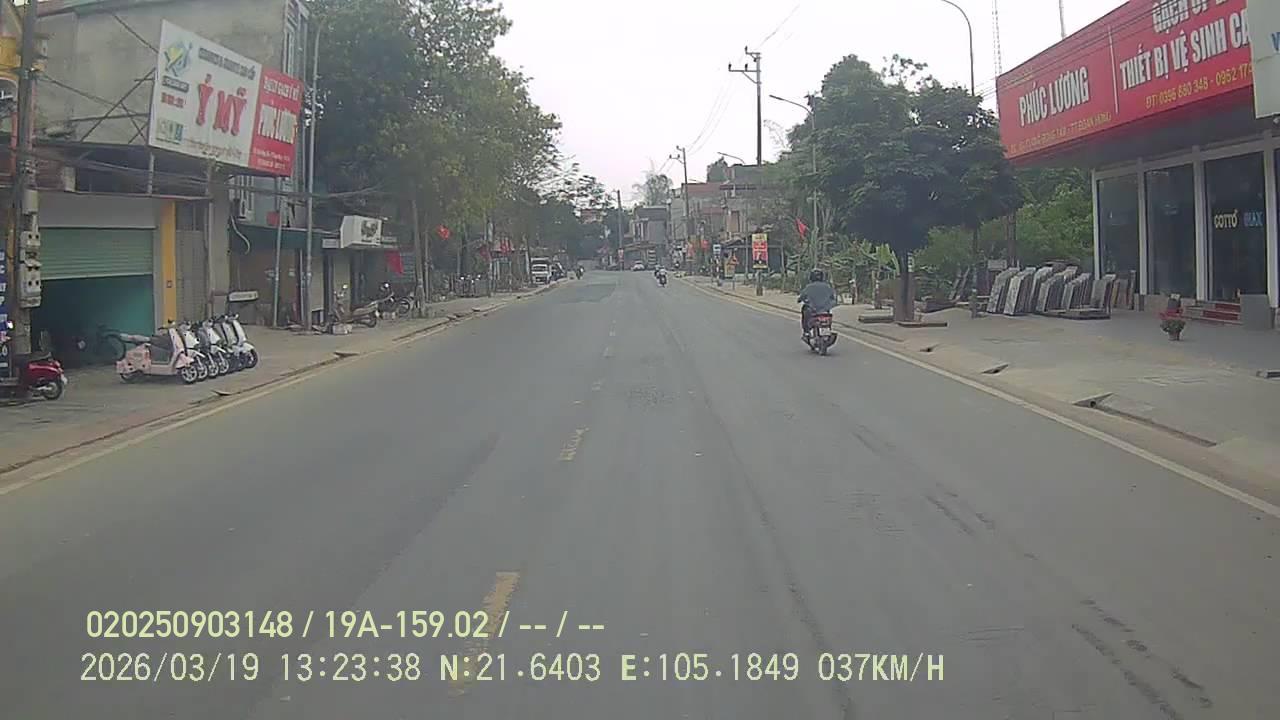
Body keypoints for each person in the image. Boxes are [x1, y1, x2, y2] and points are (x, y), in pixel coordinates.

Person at [798, 268, 838, 337]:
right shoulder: (827, 286)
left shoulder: (809, 287)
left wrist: (800, 299)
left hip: (813, 310)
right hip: (825, 311)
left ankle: (806, 331)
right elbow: (833, 298)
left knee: (805, 310)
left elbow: (802, 296)